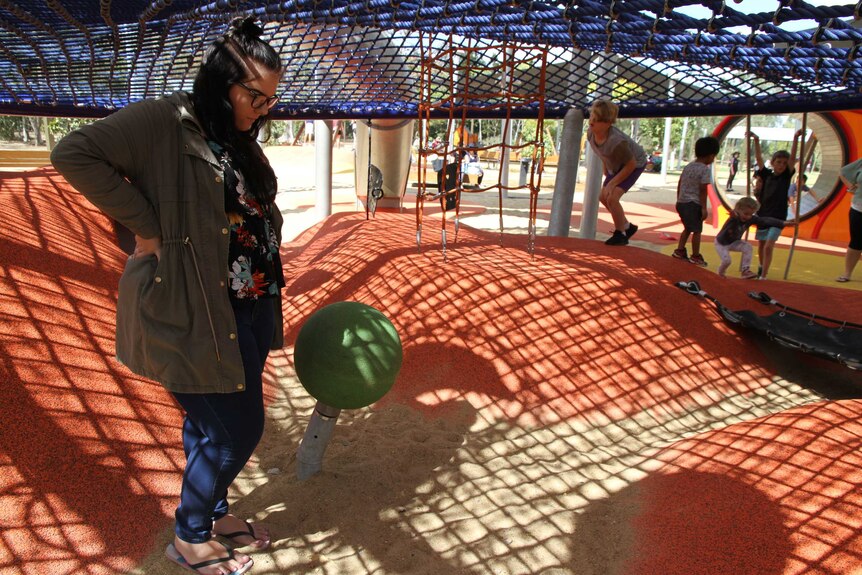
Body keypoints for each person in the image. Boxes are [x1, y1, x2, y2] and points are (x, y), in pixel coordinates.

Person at [51, 17, 284, 575]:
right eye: (254, 94)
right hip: (192, 306)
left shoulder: (235, 138)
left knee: (207, 423)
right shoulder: (166, 120)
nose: (261, 108)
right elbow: (74, 152)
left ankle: (216, 513)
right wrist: (145, 226)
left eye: (270, 100)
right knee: (237, 428)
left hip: (245, 303)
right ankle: (190, 536)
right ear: (221, 80)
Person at [586, 99, 647, 245]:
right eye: (591, 117)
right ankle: (627, 226)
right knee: (602, 196)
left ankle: (621, 234)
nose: (591, 122)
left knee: (612, 197)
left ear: (607, 123)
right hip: (617, 165)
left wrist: (613, 182)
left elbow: (630, 164)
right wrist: (606, 168)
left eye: (597, 120)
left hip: (634, 163)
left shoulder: (617, 142)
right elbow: (602, 153)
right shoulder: (591, 135)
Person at [747, 129, 802, 279]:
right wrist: (756, 141)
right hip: (763, 214)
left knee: (769, 245)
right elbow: (758, 158)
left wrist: (796, 138)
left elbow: (792, 161)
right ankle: (761, 266)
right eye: (778, 162)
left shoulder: (786, 176)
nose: (782, 165)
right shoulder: (766, 174)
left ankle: (764, 274)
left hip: (778, 216)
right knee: (762, 244)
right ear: (772, 163)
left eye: (784, 163)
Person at [673, 136, 719, 266]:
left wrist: (679, 199)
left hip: (682, 202)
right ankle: (695, 255)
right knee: (697, 230)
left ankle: (680, 250)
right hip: (693, 204)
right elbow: (703, 189)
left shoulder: (688, 166)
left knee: (687, 227)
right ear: (710, 156)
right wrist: (704, 208)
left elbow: (680, 183)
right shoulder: (704, 169)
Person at [715, 197, 786, 279]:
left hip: (734, 242)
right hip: (721, 243)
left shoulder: (750, 219)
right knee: (727, 261)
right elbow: (733, 217)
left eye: (750, 214)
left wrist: (782, 223)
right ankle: (720, 271)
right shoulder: (734, 217)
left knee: (747, 247)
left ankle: (745, 270)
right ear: (738, 209)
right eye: (745, 214)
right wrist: (734, 214)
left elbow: (764, 220)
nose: (748, 217)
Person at [837, 158, 862, 282]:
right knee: (856, 241)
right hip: (858, 208)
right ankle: (847, 273)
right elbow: (843, 172)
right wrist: (850, 187)